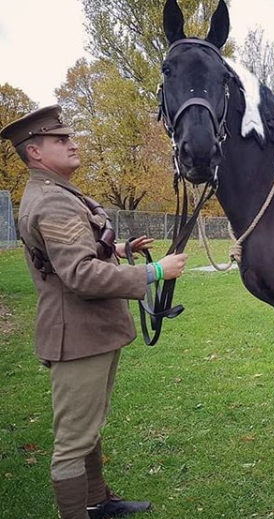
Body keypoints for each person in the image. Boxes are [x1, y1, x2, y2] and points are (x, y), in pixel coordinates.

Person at [0, 105, 188, 519]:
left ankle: (97, 500)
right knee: (73, 440)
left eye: (69, 137)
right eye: (61, 140)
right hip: (77, 336)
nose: (72, 144)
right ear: (35, 152)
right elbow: (81, 275)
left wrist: (120, 250)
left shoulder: (60, 192)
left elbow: (63, 255)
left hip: (89, 332)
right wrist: (155, 272)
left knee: (88, 427)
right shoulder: (53, 201)